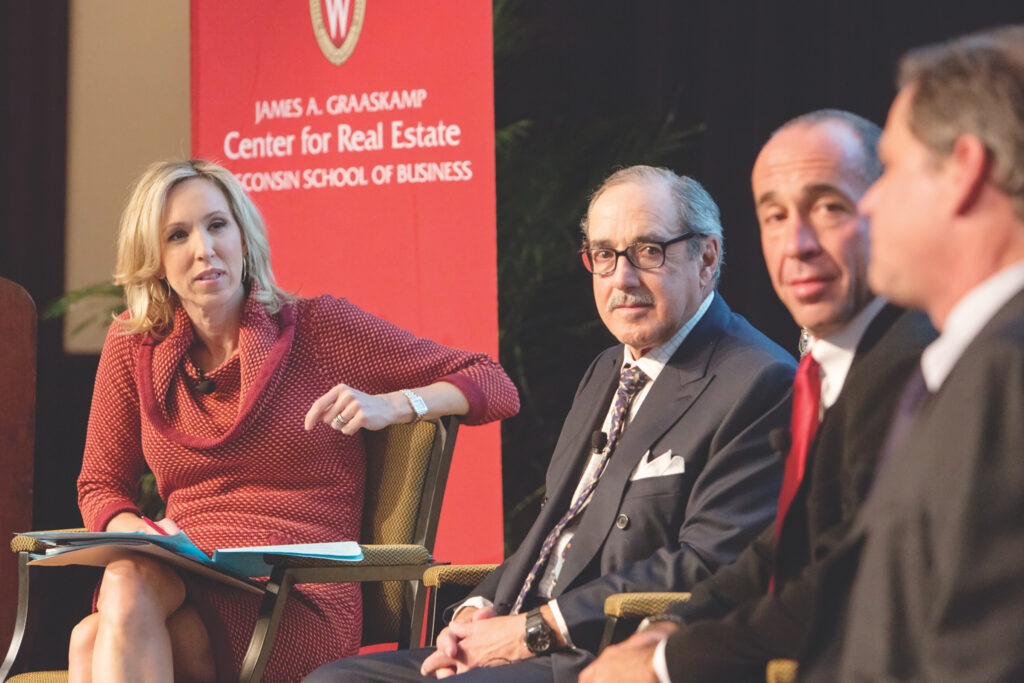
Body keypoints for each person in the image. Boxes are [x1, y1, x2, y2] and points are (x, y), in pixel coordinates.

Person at [304, 165, 796, 683]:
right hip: (525, 636)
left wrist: (533, 631)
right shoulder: (608, 368)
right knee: (333, 681)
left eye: (648, 251)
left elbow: (707, 565)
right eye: (604, 256)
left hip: (604, 653)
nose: (622, 279)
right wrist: (475, 613)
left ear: (707, 258)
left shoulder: (759, 382)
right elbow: (554, 531)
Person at [69, 158, 520, 683]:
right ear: (154, 259)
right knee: (118, 594)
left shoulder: (318, 327)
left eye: (217, 225)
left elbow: (492, 381)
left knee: (95, 636)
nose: (203, 249)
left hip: (297, 592)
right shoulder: (134, 345)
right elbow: (100, 485)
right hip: (184, 570)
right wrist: (146, 537)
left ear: (243, 235)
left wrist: (395, 404)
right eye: (177, 235)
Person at [580, 110, 937, 683]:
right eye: (775, 216)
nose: (797, 244)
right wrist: (668, 629)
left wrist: (666, 660)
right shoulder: (828, 366)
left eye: (828, 208)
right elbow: (777, 554)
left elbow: (845, 581)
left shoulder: (915, 365)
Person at [799, 26, 1024, 682]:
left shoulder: (1005, 374)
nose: (868, 202)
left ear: (964, 170)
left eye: (892, 168)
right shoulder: (967, 367)